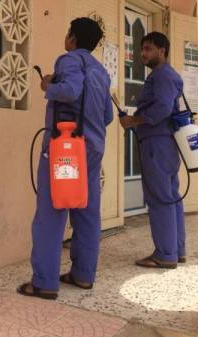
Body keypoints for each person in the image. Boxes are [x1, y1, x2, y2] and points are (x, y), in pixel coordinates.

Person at [17, 17, 114, 300]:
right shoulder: (101, 71)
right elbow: (107, 116)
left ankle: (44, 282)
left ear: (72, 38)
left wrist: (48, 85)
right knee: (87, 211)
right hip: (92, 149)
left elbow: (70, 91)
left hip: (65, 150)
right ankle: (83, 274)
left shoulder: (69, 59)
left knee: (51, 211)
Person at [119, 32, 185, 268]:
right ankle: (176, 250)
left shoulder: (162, 75)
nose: (143, 54)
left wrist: (133, 121)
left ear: (162, 51)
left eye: (148, 49)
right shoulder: (166, 75)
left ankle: (165, 255)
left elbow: (163, 108)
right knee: (171, 196)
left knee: (159, 198)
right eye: (142, 49)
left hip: (156, 143)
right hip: (164, 143)